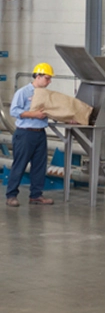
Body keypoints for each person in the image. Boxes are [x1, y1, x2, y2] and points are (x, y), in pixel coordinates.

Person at [7, 63, 56, 207]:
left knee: (39, 166)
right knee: (19, 165)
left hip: (40, 134)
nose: (49, 81)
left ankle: (36, 195)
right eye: (47, 78)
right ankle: (11, 195)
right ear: (38, 76)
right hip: (25, 134)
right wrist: (34, 114)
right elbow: (14, 111)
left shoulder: (46, 95)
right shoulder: (23, 92)